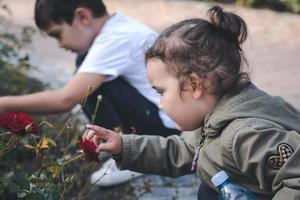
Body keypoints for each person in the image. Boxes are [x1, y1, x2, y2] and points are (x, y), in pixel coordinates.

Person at [82, 5, 300, 200]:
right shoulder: (211, 121)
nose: (160, 103)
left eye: (161, 92)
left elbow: (295, 179)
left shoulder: (248, 135)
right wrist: (123, 147)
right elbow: (179, 152)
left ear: (195, 86)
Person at [0, 0, 179, 186]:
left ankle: (135, 159)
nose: (60, 45)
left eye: (58, 35)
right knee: (86, 69)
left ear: (83, 17)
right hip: (162, 119)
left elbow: (66, 99)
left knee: (89, 88)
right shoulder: (117, 28)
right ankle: (121, 145)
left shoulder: (115, 39)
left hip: (165, 132)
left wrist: (4, 104)